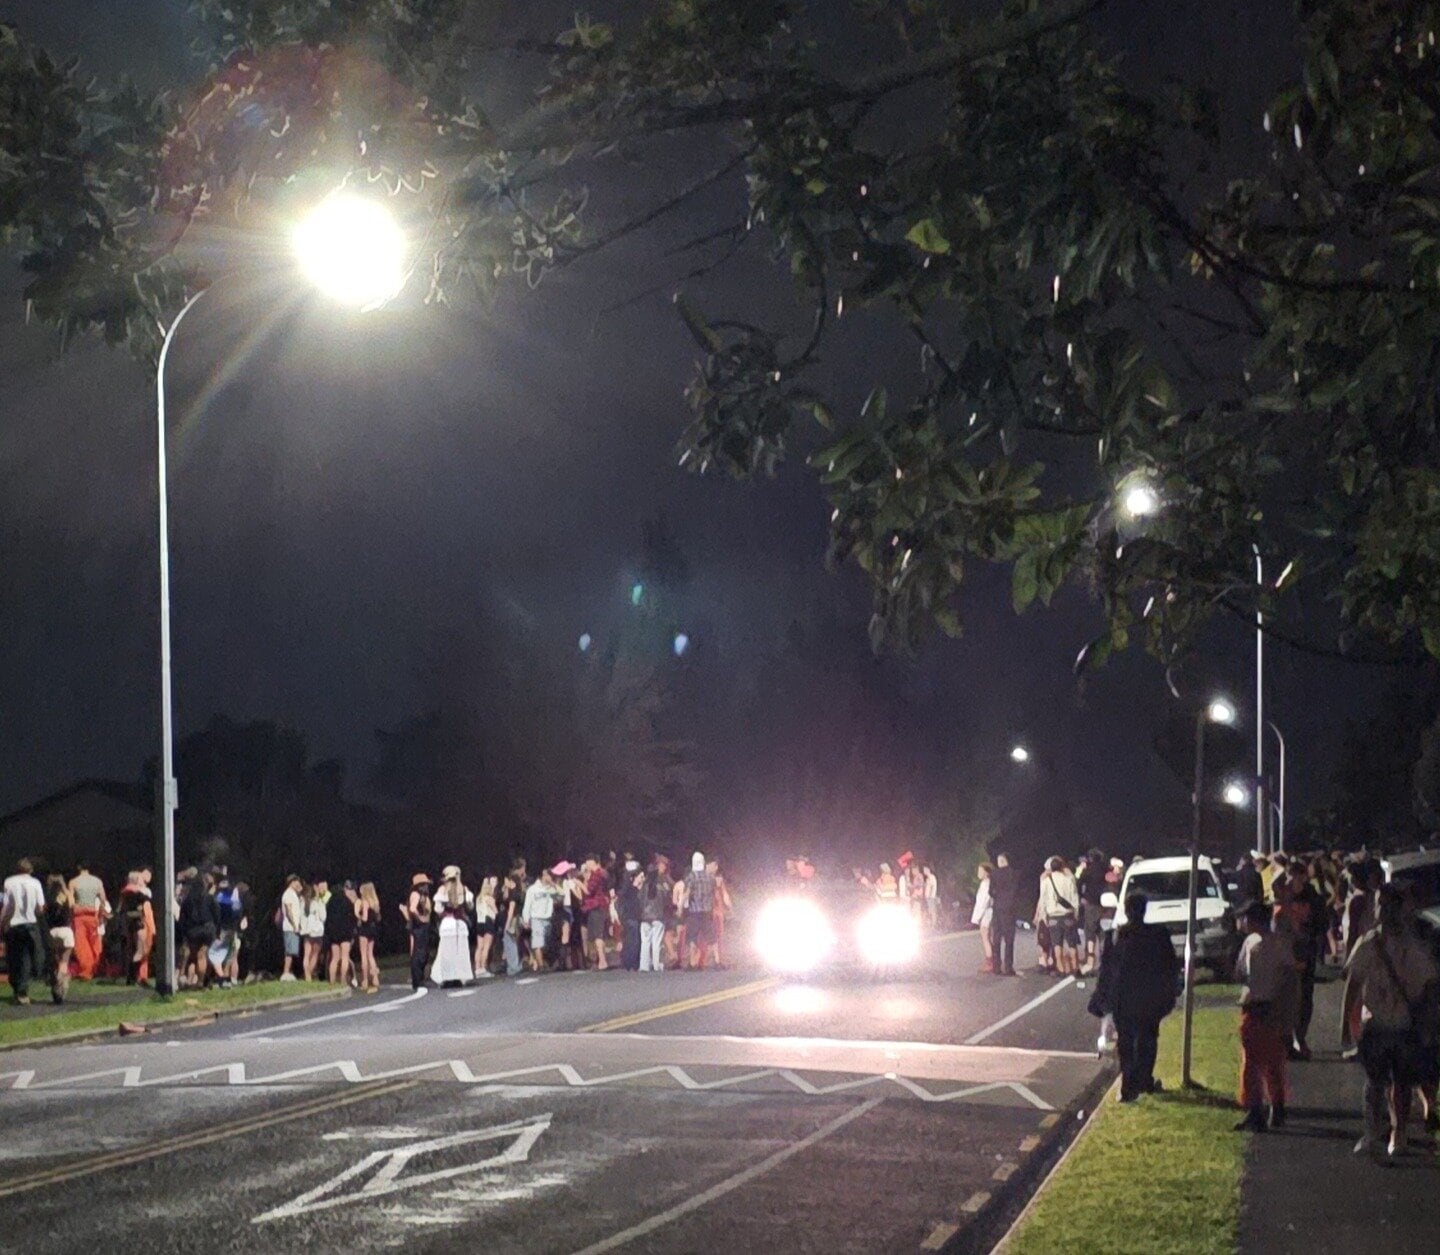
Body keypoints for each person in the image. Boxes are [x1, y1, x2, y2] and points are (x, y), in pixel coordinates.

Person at [1342, 885, 1440, 1161]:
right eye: (1379, 904)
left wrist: (1429, 1023)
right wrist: (1346, 1028)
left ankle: (1396, 1133)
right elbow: (1353, 984)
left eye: (1386, 905)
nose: (1382, 910)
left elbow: (1430, 985)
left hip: (1402, 1025)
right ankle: (1379, 1133)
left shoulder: (1410, 947)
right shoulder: (1370, 944)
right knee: (1376, 1082)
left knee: (1400, 1083)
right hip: (1377, 1025)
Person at [1092, 892, 1181, 1102]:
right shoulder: (1158, 934)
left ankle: (1129, 1085)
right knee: (1147, 1039)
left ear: (1126, 909)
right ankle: (1143, 1080)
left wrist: (1102, 995)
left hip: (1124, 997)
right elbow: (1170, 965)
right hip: (1150, 997)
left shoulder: (1116, 936)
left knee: (1126, 1042)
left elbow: (1106, 969)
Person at [1232, 901, 1299, 1132]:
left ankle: (1268, 1108)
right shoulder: (1254, 943)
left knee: (1267, 1061)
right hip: (1256, 1006)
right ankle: (1261, 1109)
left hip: (1268, 1006)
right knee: (1257, 1062)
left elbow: (1289, 980)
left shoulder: (1272, 944)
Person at [1, 859, 47, 1005]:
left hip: (14, 925)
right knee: (30, 957)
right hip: (31, 924)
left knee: (15, 958)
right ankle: (23, 989)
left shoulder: (9, 882)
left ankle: (19, 990)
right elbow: (40, 908)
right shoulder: (36, 883)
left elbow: (7, 906)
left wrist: (2, 923)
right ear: (31, 870)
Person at [1037, 856, 1080, 977]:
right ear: (1062, 867)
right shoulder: (1068, 880)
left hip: (1053, 916)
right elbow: (1074, 897)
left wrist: (1043, 916)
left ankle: (1060, 969)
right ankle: (1075, 968)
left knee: (1057, 944)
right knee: (1072, 943)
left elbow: (1043, 900)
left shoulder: (1046, 881)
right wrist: (1076, 913)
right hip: (1067, 915)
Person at [431, 866, 475, 985]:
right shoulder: (464, 890)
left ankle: (447, 978)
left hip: (448, 925)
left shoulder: (442, 890)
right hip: (460, 925)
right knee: (460, 953)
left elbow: (438, 909)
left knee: (446, 953)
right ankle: (460, 977)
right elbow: (470, 907)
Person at [67, 860, 109, 980]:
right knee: (94, 942)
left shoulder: (73, 882)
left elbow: (71, 903)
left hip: (79, 914)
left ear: (78, 867)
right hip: (92, 913)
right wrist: (101, 913)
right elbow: (103, 899)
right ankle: (93, 968)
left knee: (81, 943)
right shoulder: (97, 881)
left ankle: (86, 970)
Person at [178, 872, 220, 988]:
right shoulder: (210, 898)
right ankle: (200, 981)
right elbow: (217, 915)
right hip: (207, 929)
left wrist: (184, 932)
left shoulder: (187, 900)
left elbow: (183, 917)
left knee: (192, 956)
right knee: (202, 955)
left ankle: (190, 980)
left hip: (193, 931)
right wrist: (217, 931)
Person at [118, 871, 156, 985]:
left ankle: (132, 976)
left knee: (135, 950)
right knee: (141, 951)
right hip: (139, 923)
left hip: (130, 923)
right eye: (140, 879)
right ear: (136, 880)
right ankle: (132, 977)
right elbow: (147, 899)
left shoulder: (125, 892)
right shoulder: (136, 893)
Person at [683, 852, 717, 970]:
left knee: (692, 936)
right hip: (707, 910)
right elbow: (714, 892)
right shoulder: (710, 877)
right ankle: (717, 961)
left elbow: (687, 893)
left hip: (695, 911)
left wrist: (680, 907)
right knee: (711, 936)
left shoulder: (691, 876)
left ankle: (693, 963)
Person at [44, 874, 75, 1004]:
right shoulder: (66, 897)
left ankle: (53, 982)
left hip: (52, 932)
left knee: (53, 961)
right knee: (64, 961)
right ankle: (61, 987)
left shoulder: (47, 898)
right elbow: (73, 903)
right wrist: (63, 885)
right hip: (66, 931)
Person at [402, 873, 435, 990]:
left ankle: (419, 978)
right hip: (419, 927)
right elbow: (412, 908)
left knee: (423, 952)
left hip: (422, 926)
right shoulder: (416, 894)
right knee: (419, 953)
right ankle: (417, 980)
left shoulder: (422, 895)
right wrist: (420, 918)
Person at [522, 867, 559, 972]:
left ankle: (544, 961)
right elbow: (527, 905)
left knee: (546, 943)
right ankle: (541, 966)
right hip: (536, 918)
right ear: (542, 876)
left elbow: (561, 895)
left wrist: (554, 885)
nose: (549, 877)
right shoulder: (532, 889)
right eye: (547, 875)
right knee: (538, 942)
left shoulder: (551, 888)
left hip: (548, 918)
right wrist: (526, 919)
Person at [639, 858, 673, 972]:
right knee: (656, 942)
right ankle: (656, 964)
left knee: (645, 942)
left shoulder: (644, 885)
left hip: (644, 917)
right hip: (658, 916)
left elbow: (639, 900)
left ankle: (644, 966)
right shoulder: (661, 886)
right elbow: (667, 901)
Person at [987, 852, 1018, 976]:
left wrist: (998, 897)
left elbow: (991, 891)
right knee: (1009, 938)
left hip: (998, 907)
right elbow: (1017, 891)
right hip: (1009, 908)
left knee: (997, 937)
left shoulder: (994, 874)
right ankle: (1008, 967)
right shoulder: (1014, 874)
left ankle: (996, 967)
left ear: (1000, 861)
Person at [1077, 850, 1107, 975]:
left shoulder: (1088, 870)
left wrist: (1081, 896)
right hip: (1105, 903)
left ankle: (1090, 961)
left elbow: (1078, 881)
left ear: (1090, 858)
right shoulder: (1106, 869)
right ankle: (1103, 961)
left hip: (1090, 903)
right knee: (1103, 933)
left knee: (1090, 932)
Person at [580, 856, 612, 971]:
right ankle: (599, 960)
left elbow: (588, 890)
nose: (587, 865)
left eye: (589, 863)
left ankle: (602, 961)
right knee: (599, 934)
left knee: (597, 935)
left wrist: (578, 882)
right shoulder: (604, 873)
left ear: (594, 862)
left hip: (596, 906)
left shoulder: (597, 874)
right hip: (601, 906)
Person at [325, 881, 358, 986]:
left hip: (333, 932)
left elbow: (327, 918)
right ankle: (343, 981)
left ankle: (332, 982)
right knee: (344, 957)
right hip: (345, 931)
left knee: (334, 958)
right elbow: (352, 917)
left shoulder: (330, 902)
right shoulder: (347, 902)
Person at [615, 859, 643, 971]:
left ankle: (627, 962)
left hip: (627, 917)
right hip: (632, 917)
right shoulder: (630, 889)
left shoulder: (624, 889)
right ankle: (632, 963)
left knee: (629, 940)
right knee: (634, 941)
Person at [355, 882, 382, 993]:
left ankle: (365, 980)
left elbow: (365, 918)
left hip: (365, 929)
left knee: (364, 955)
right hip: (373, 929)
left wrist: (358, 915)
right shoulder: (375, 902)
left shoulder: (365, 902)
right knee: (371, 955)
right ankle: (375, 978)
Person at [472, 875, 498, 978]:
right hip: (488, 922)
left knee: (479, 947)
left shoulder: (478, 898)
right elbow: (495, 911)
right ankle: (483, 968)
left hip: (479, 922)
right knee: (486, 947)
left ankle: (477, 969)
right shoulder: (490, 898)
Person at [301, 878, 326, 981]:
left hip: (307, 929)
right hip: (317, 930)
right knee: (315, 954)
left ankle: (306, 975)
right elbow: (323, 917)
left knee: (306, 954)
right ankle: (309, 974)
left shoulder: (303, 901)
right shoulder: (318, 901)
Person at [279, 873, 304, 981]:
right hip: (290, 927)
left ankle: (288, 972)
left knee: (292, 951)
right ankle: (285, 972)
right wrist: (294, 925)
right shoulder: (288, 894)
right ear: (292, 882)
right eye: (297, 882)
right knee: (289, 951)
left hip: (293, 926)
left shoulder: (293, 894)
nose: (298, 884)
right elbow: (289, 911)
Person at [709, 858, 733, 967]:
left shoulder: (719, 879)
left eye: (716, 866)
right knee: (711, 935)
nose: (715, 868)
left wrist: (729, 906)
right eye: (713, 865)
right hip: (709, 910)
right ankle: (713, 959)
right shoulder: (703, 879)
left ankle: (718, 959)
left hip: (718, 910)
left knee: (718, 934)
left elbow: (724, 894)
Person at [972, 864, 995, 973]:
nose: (978, 873)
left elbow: (983, 903)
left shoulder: (986, 885)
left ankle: (990, 962)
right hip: (987, 913)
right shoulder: (986, 884)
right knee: (988, 937)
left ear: (986, 873)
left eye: (980, 871)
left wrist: (977, 918)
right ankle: (993, 960)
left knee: (985, 937)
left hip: (986, 914)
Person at [922, 864, 940, 930]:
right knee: (930, 911)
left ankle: (934, 925)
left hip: (931, 897)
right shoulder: (927, 878)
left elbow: (932, 886)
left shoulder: (931, 877)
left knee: (932, 911)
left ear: (928, 870)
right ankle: (931, 924)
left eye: (925, 870)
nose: (924, 871)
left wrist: (930, 895)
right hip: (928, 897)